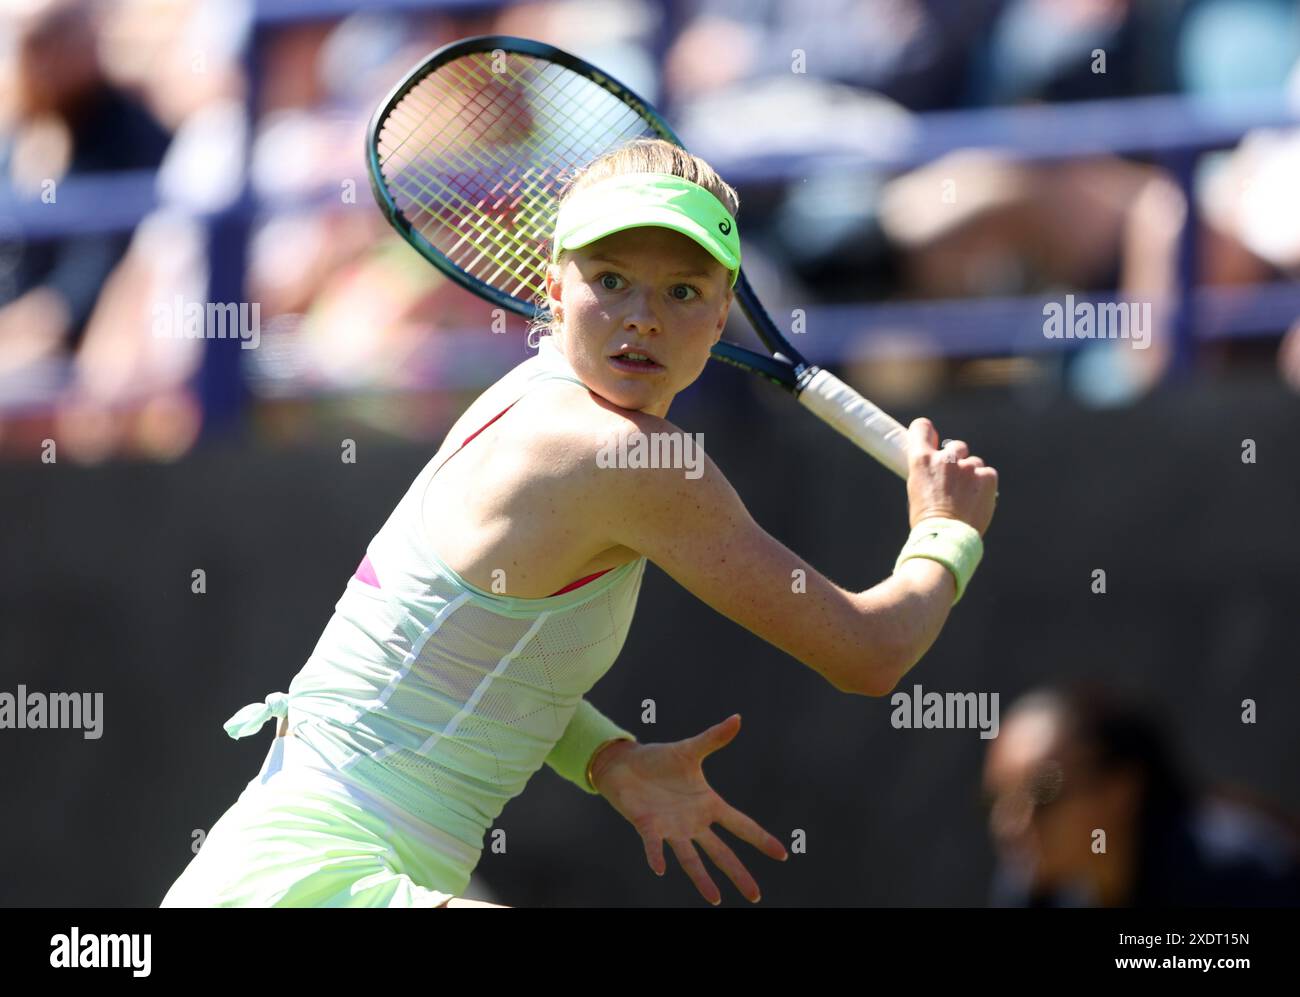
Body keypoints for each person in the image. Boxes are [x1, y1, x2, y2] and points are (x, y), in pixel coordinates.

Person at [160, 137, 998, 908]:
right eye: (610, 279)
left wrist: (605, 757)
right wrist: (946, 535)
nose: (642, 315)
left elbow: (459, 660)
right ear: (553, 286)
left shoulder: (519, 403)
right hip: (313, 882)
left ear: (720, 316)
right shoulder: (625, 454)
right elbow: (868, 652)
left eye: (682, 290)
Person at [983, 685, 1300, 906]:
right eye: (998, 800)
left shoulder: (1244, 877)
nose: (1010, 825)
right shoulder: (1031, 886)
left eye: (1043, 794)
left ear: (1121, 790)